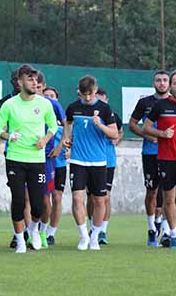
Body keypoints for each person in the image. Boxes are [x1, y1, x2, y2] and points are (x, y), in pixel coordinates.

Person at [0, 64, 57, 253]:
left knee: (38, 205)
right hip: (15, 159)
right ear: (20, 82)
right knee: (19, 201)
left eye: (35, 79)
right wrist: (8, 136)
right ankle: (20, 240)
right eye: (30, 79)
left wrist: (44, 140)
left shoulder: (44, 104)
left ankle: (34, 229)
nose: (34, 82)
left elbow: (53, 126)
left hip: (37, 160)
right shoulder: (9, 105)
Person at [63, 75, 118, 251]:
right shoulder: (73, 107)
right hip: (78, 160)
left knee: (99, 200)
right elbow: (67, 123)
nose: (87, 98)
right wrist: (66, 138)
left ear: (95, 90)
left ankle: (95, 235)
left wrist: (100, 125)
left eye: (90, 94)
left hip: (99, 162)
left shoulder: (104, 109)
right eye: (84, 94)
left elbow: (114, 134)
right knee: (77, 198)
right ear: (79, 91)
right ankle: (84, 236)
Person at [144, 69, 176, 250]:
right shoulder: (161, 106)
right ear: (171, 86)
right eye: (175, 83)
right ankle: (172, 234)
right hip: (166, 158)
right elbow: (146, 127)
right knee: (168, 198)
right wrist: (162, 134)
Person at [129, 70, 172, 247]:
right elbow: (132, 124)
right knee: (152, 192)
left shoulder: (175, 103)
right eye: (158, 80)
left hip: (170, 154)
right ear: (153, 83)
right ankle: (151, 229)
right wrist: (146, 135)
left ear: (169, 83)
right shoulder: (145, 102)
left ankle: (169, 232)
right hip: (150, 153)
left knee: (170, 193)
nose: (161, 83)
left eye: (164, 80)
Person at [91, 88, 123, 245]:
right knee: (91, 197)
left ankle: (102, 230)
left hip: (108, 161)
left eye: (103, 100)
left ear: (107, 101)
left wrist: (117, 139)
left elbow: (120, 132)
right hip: (91, 159)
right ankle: (93, 225)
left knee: (105, 197)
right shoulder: (89, 116)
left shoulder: (112, 116)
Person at [43, 87, 69, 245]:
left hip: (59, 164)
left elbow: (70, 136)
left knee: (57, 197)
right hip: (44, 161)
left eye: (52, 96)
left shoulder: (62, 118)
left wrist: (68, 149)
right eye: (46, 96)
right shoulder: (41, 115)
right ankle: (40, 228)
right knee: (43, 197)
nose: (49, 99)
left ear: (57, 98)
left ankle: (51, 232)